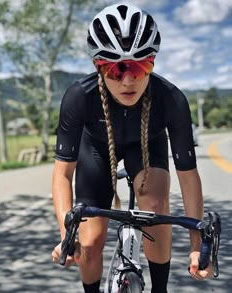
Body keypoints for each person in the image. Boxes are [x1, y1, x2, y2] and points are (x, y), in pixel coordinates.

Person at [51, 3, 212, 292]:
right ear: (98, 66)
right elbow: (63, 174)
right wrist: (67, 234)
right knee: (89, 241)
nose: (128, 80)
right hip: (96, 149)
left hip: (147, 144)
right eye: (114, 69)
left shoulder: (171, 100)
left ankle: (159, 289)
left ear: (152, 63)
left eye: (139, 66)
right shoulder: (79, 98)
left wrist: (197, 244)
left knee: (154, 203)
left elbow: (188, 176)